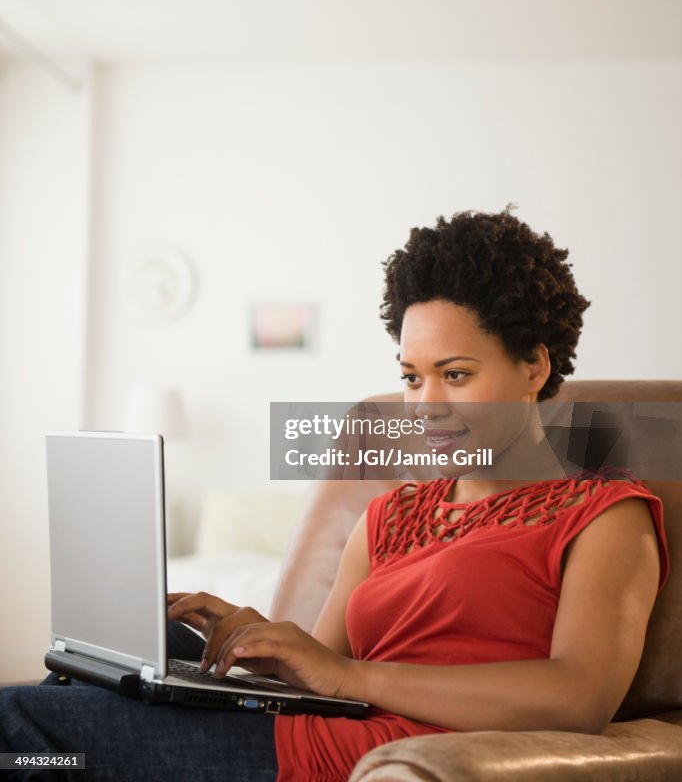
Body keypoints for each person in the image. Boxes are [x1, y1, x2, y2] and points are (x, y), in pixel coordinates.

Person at [1, 207, 669, 782]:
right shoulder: (389, 516)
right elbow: (320, 674)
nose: (425, 404)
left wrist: (352, 679)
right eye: (412, 376)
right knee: (75, 686)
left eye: (456, 374)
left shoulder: (602, 517)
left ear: (534, 366)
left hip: (363, 758)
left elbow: (579, 698)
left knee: (18, 725)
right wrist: (252, 642)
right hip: (295, 733)